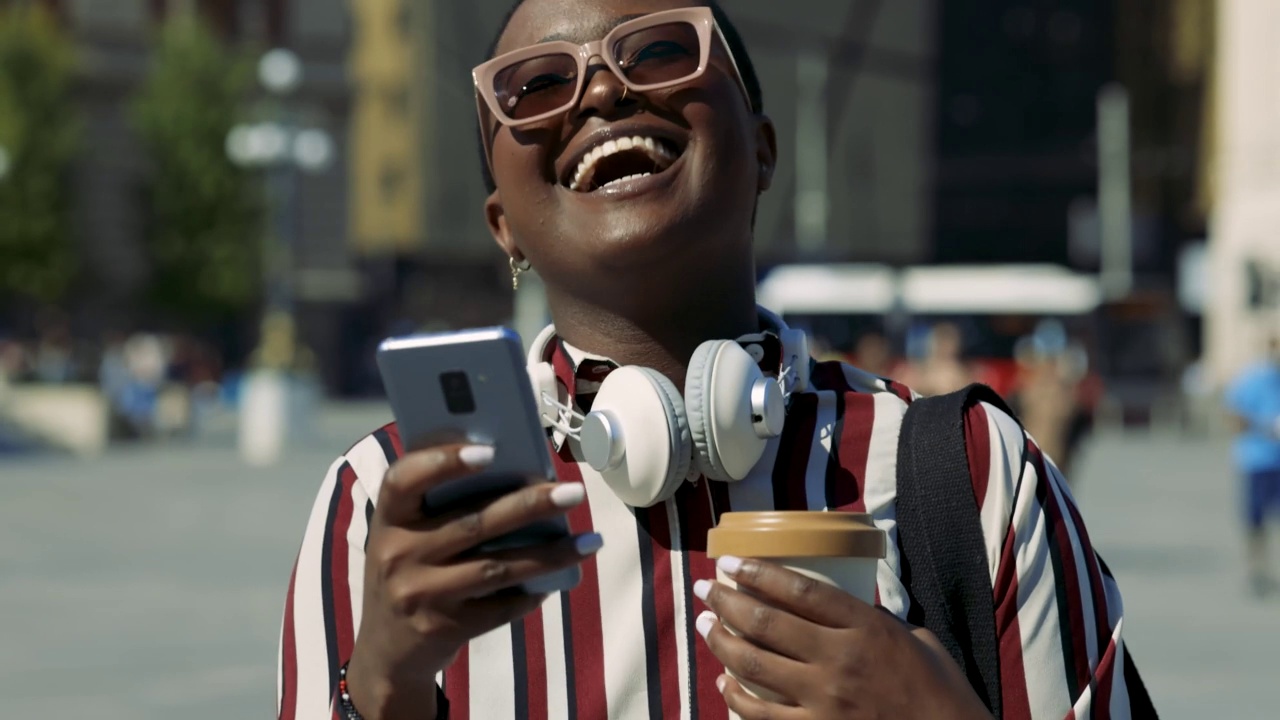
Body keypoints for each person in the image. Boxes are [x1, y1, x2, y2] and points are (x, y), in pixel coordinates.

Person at [278, 2, 1139, 718]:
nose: (605, 92)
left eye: (658, 51)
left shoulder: (975, 471)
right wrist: (383, 684)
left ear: (763, 151)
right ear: (503, 225)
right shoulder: (383, 505)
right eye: (537, 85)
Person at [1224, 332, 1280, 597]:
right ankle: (1257, 572)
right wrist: (1265, 427)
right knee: (1255, 522)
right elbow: (1233, 418)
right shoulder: (1252, 379)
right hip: (1258, 461)